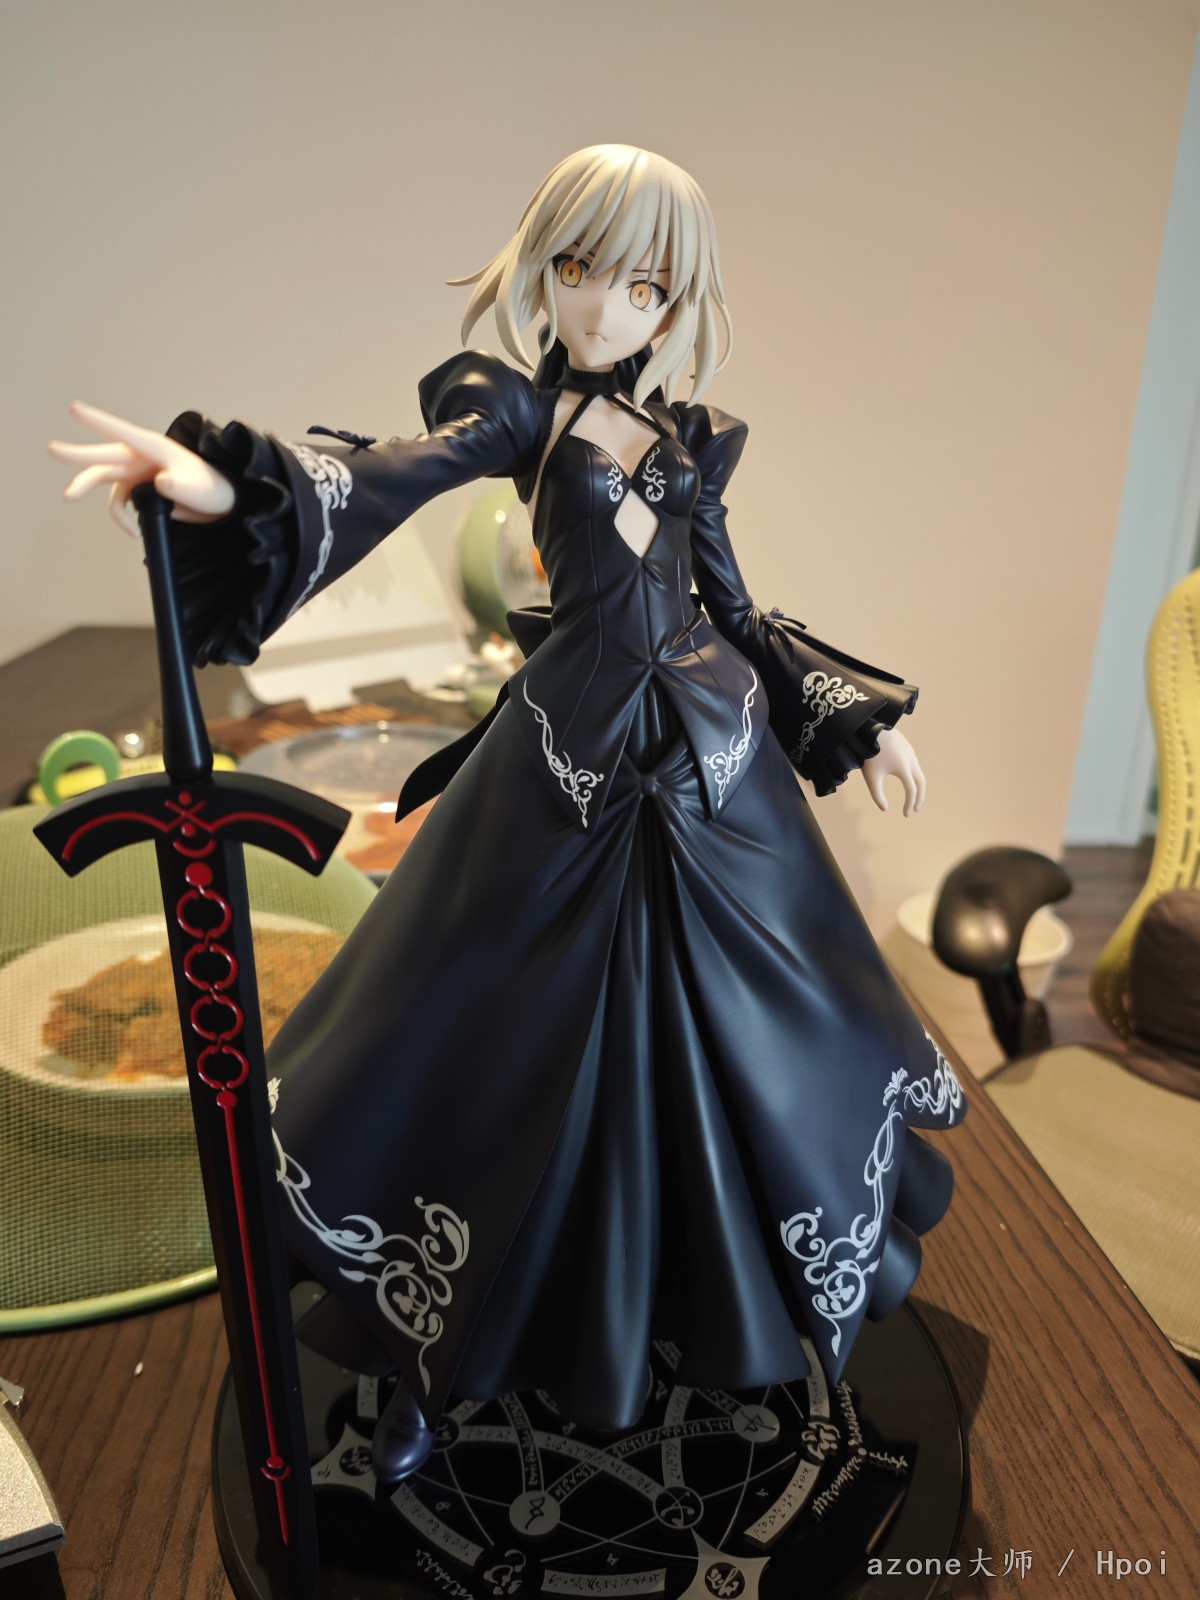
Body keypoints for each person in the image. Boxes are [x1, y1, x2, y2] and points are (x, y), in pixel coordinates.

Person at [51, 143, 966, 1484]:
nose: (603, 306)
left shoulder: (694, 441)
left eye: (643, 285)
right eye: (579, 268)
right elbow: (399, 471)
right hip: (564, 766)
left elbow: (731, 602)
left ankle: (725, 1320)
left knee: (755, 1041)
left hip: (713, 765)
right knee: (486, 1045)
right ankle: (430, 1357)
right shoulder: (517, 415)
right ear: (542, 268)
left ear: (677, 300)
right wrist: (228, 487)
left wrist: (859, 718)